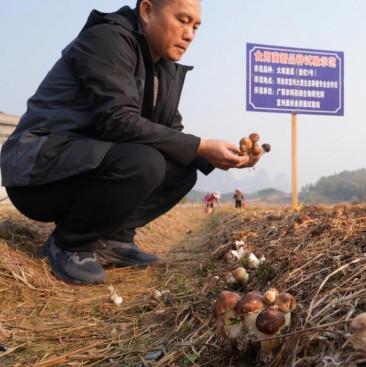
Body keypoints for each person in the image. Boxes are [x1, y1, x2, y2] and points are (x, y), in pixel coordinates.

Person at [0, 0, 254, 285]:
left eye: (195, 26)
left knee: (182, 170)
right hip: (38, 169)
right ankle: (70, 243)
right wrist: (199, 146)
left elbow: (170, 132)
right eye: (182, 20)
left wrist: (216, 157)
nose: (190, 34)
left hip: (87, 161)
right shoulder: (107, 39)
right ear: (147, 11)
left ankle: (111, 240)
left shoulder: (163, 69)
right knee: (145, 162)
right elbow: (117, 121)